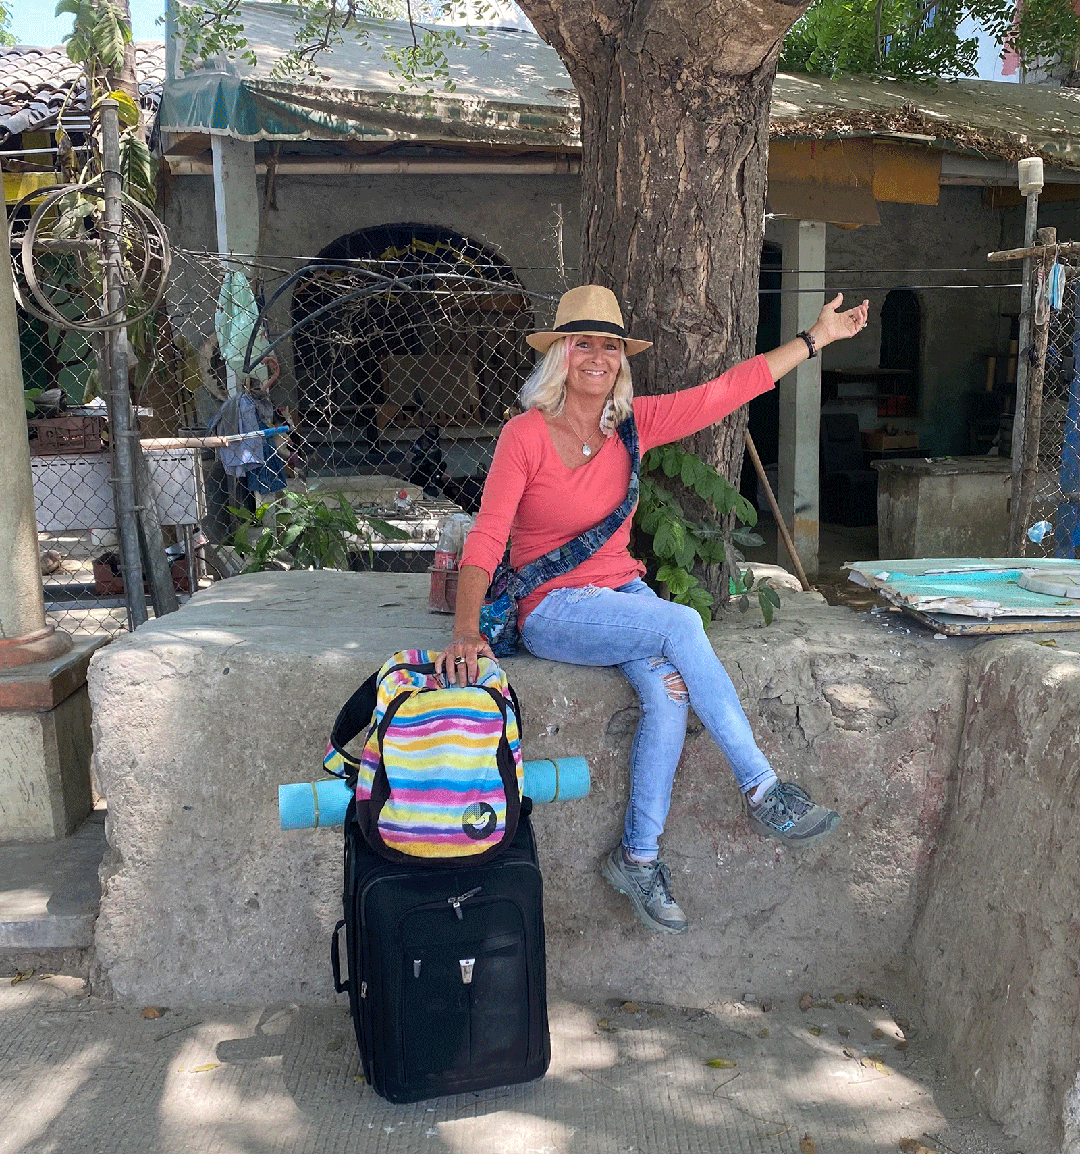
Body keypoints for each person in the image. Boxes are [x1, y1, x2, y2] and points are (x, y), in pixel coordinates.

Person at [434, 284, 870, 936]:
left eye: (610, 346)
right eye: (585, 343)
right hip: (551, 605)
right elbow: (489, 535)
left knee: (668, 695)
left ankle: (638, 856)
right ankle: (761, 787)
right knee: (682, 622)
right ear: (560, 353)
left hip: (621, 595)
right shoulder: (524, 435)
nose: (599, 358)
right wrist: (466, 629)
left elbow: (727, 391)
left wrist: (814, 340)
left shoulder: (633, 424)